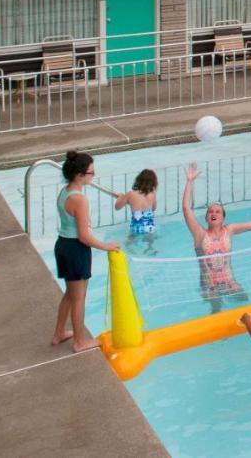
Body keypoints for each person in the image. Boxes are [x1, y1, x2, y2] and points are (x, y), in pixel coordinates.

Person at [182, 163, 251, 311]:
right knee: (216, 311)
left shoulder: (229, 230)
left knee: (244, 302)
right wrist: (190, 181)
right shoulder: (200, 234)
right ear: (206, 218)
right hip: (210, 287)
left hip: (230, 282)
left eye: (218, 212)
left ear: (223, 218)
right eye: (210, 212)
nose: (214, 213)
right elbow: (186, 208)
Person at [51, 151, 120, 352]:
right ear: (80, 175)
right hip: (75, 249)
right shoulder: (80, 199)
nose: (93, 176)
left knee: (70, 295)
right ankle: (80, 341)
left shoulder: (65, 191)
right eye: (91, 172)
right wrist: (106, 246)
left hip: (63, 245)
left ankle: (59, 333)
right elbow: (84, 236)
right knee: (79, 297)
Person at [109, 169, 159, 239]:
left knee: (129, 244)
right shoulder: (152, 194)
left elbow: (117, 207)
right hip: (149, 226)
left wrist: (121, 197)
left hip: (136, 225)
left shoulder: (130, 194)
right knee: (150, 244)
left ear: (138, 180)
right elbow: (154, 208)